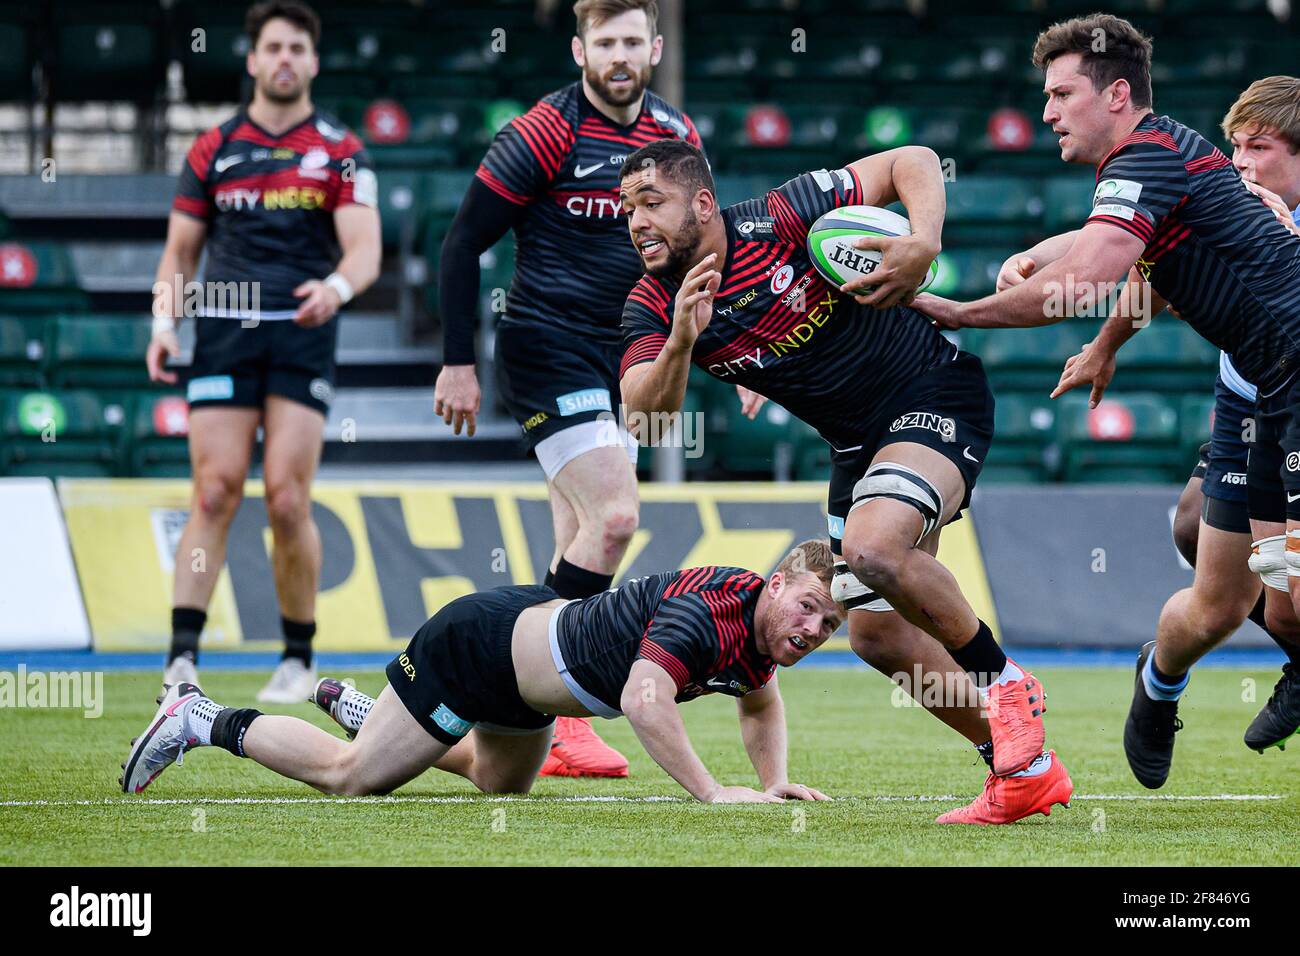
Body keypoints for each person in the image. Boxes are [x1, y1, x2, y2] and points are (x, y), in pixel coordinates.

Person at [615, 139, 1073, 824]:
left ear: (703, 203)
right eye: (627, 210)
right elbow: (644, 415)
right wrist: (683, 340)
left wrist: (923, 240)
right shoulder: (653, 304)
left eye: (651, 202)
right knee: (878, 639)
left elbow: (910, 160)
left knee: (873, 547)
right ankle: (1022, 768)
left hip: (935, 393)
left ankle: (1008, 686)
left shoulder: (779, 216)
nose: (637, 221)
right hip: (858, 446)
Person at [909, 17, 1300, 787]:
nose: (1047, 112)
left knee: (1287, 600)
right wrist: (1104, 341)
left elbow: (1081, 279)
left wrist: (957, 312)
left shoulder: (1158, 157)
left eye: (1060, 94)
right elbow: (1119, 252)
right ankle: (1158, 680)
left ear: (1116, 94)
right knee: (1242, 603)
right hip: (1261, 397)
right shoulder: (1158, 158)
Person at [433, 0, 705, 776]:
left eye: (632, 42)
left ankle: (562, 725)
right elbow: (462, 245)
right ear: (582, 48)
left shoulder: (678, 139)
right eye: (605, 42)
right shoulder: (544, 132)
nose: (619, 56)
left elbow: (694, 255)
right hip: (545, 344)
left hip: (627, 350)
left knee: (579, 539)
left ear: (654, 47)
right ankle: (524, 690)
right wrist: (457, 360)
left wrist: (729, 352)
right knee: (616, 517)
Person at [121, 542, 840, 805]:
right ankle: (199, 715)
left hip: (531, 679)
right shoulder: (706, 611)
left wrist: (774, 780)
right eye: (809, 607)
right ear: (776, 584)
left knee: (502, 783)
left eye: (829, 626)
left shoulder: (759, 626)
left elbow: (759, 703)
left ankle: (382, 718)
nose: (812, 632)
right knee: (352, 777)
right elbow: (643, 699)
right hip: (478, 650)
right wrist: (715, 793)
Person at [146, 0, 380, 703]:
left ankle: (297, 658)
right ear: (252, 60)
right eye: (273, 47)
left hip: (301, 331)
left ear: (312, 61)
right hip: (222, 331)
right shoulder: (212, 148)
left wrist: (337, 287)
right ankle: (182, 656)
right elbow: (179, 253)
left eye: (297, 49)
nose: (284, 59)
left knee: (286, 497)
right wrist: (163, 325)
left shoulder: (340, 149)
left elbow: (365, 250)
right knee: (214, 491)